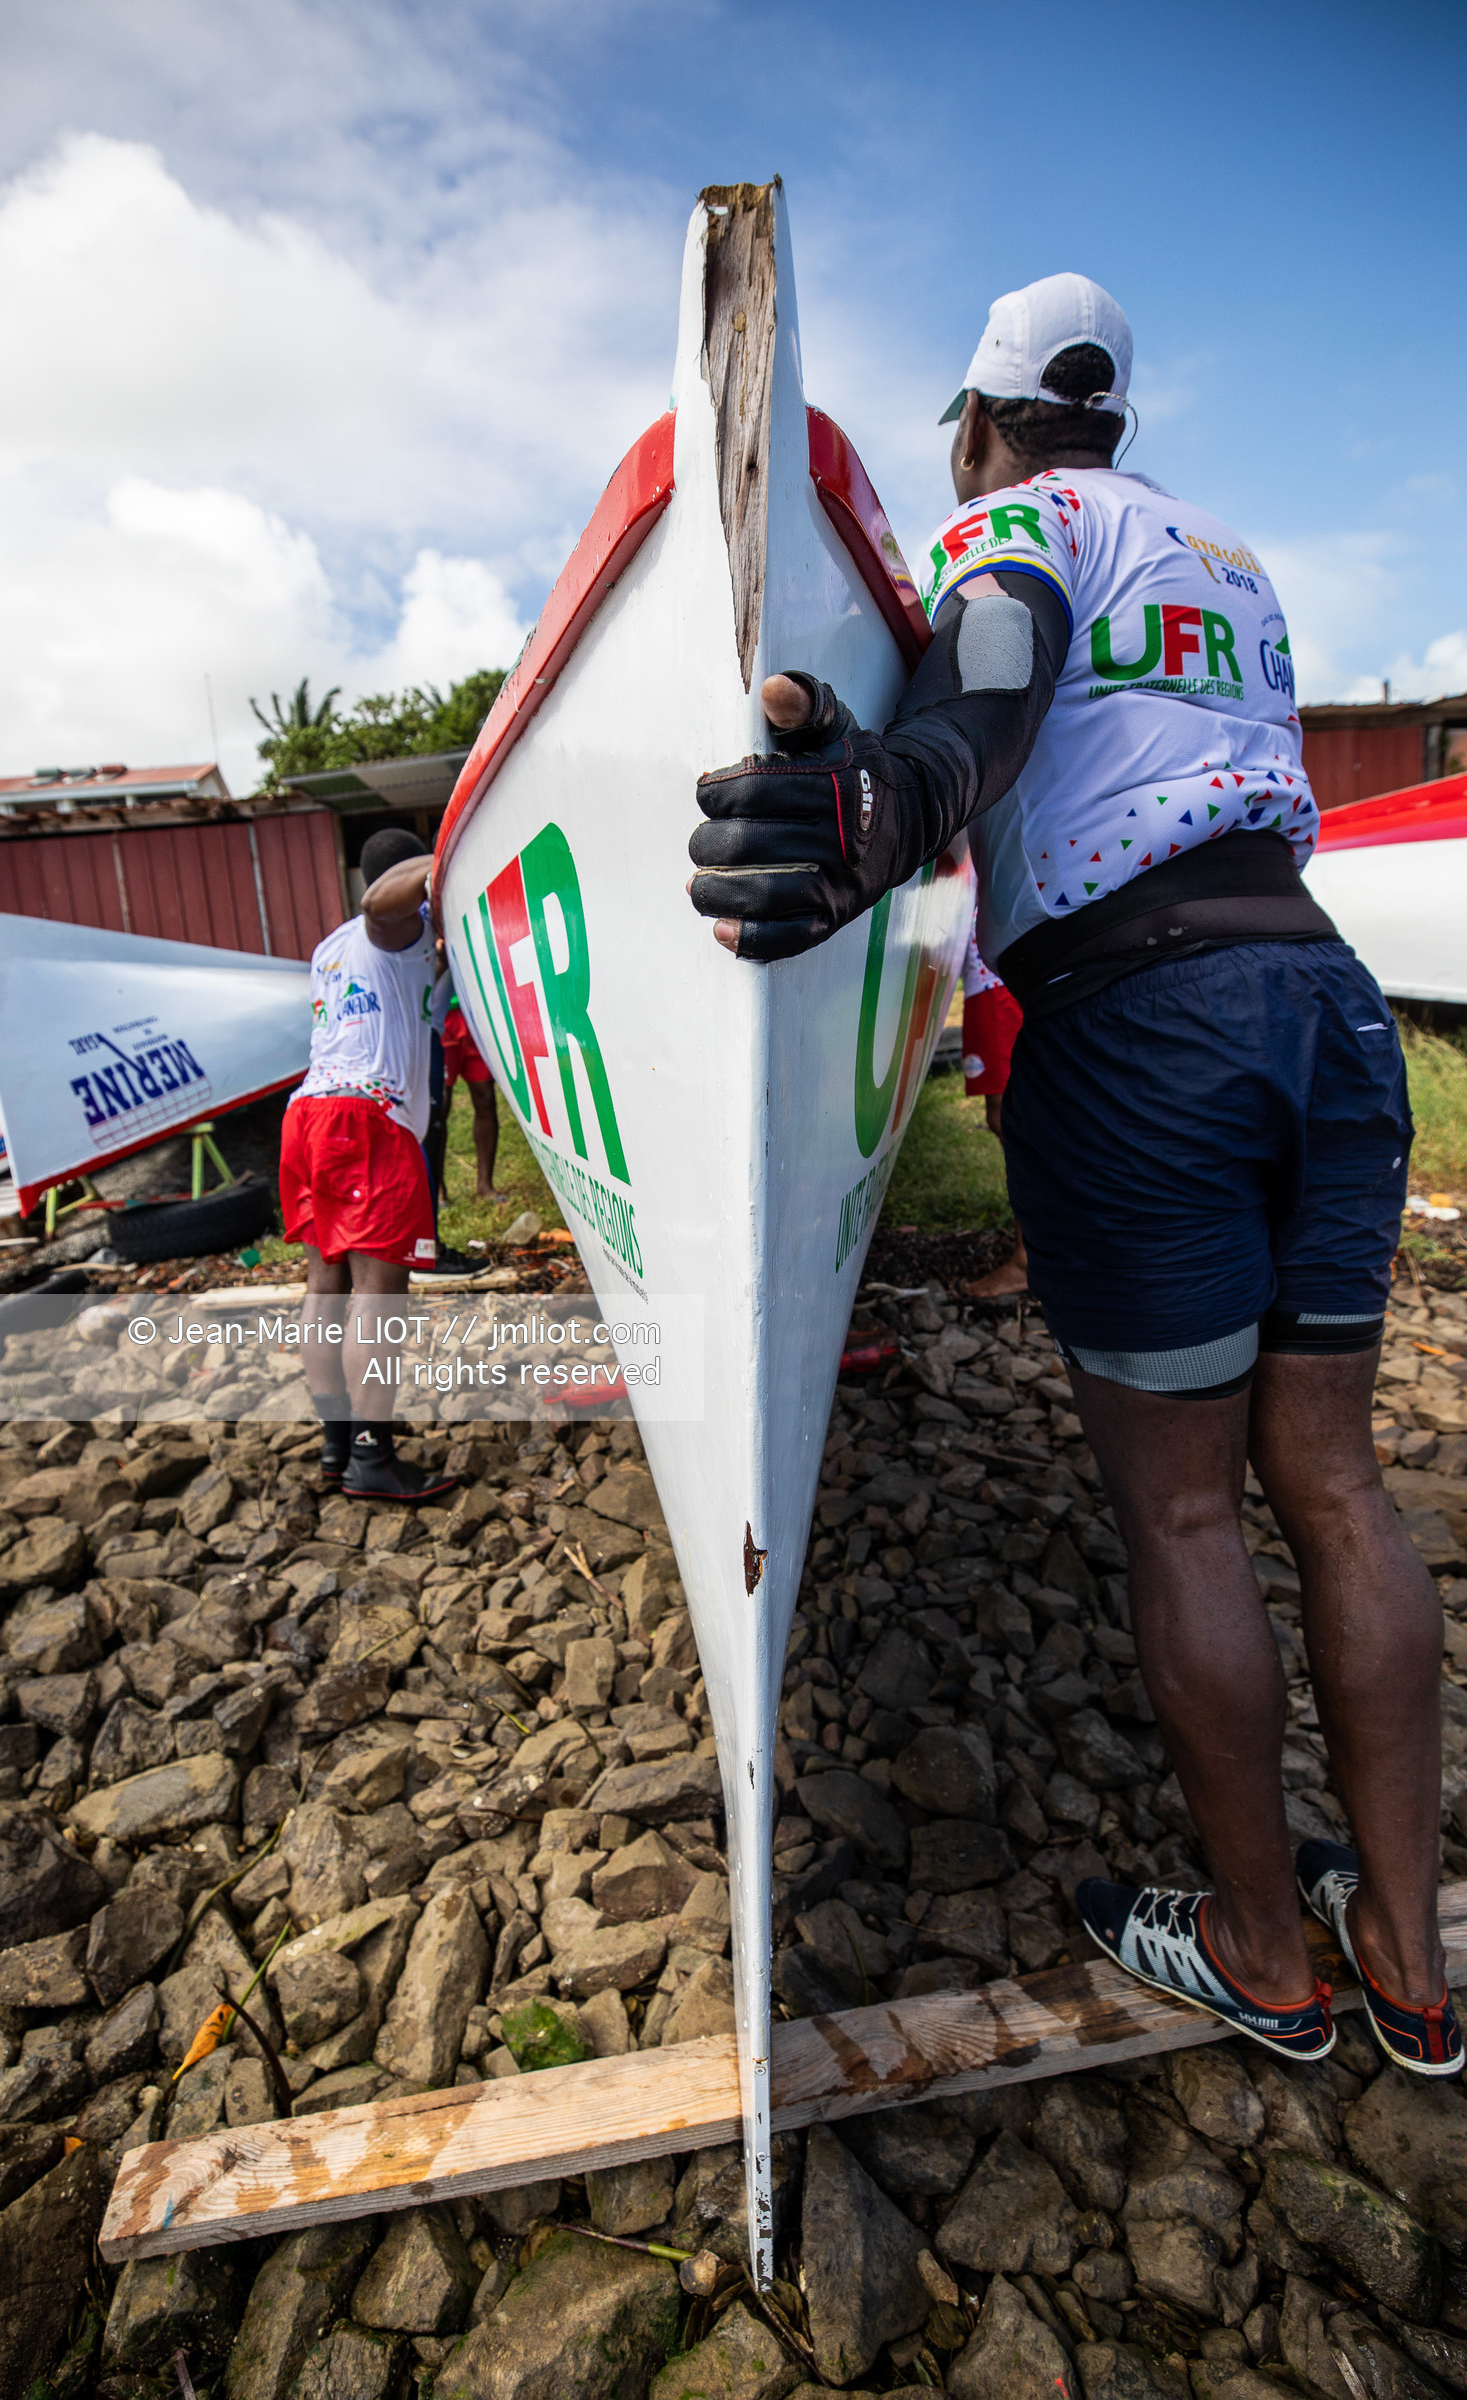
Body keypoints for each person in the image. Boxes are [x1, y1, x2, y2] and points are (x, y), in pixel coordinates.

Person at [687, 272, 1458, 2075]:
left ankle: (1261, 1951)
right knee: (1337, 1483)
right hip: (1325, 1003)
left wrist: (889, 801)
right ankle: (1410, 1959)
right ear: (1114, 419)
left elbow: (993, 681)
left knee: (1185, 1514)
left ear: (979, 426)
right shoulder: (1231, 561)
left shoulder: (1013, 524)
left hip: (1147, 1024)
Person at [278, 826, 462, 1504]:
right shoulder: (391, 925)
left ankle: (338, 1444)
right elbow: (381, 905)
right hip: (366, 1121)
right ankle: (371, 1458)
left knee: (325, 1285)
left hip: (309, 1116)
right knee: (378, 1294)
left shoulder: (333, 949)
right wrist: (449, 859)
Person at [958, 929, 1029, 1299]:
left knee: (1014, 1120)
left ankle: (1028, 1260)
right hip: (990, 974)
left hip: (996, 977)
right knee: (1011, 1119)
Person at [440, 993, 506, 1203]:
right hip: (442, 1014)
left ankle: (485, 1185)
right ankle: (438, 1188)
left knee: (485, 1097)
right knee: (440, 1105)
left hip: (476, 1011)